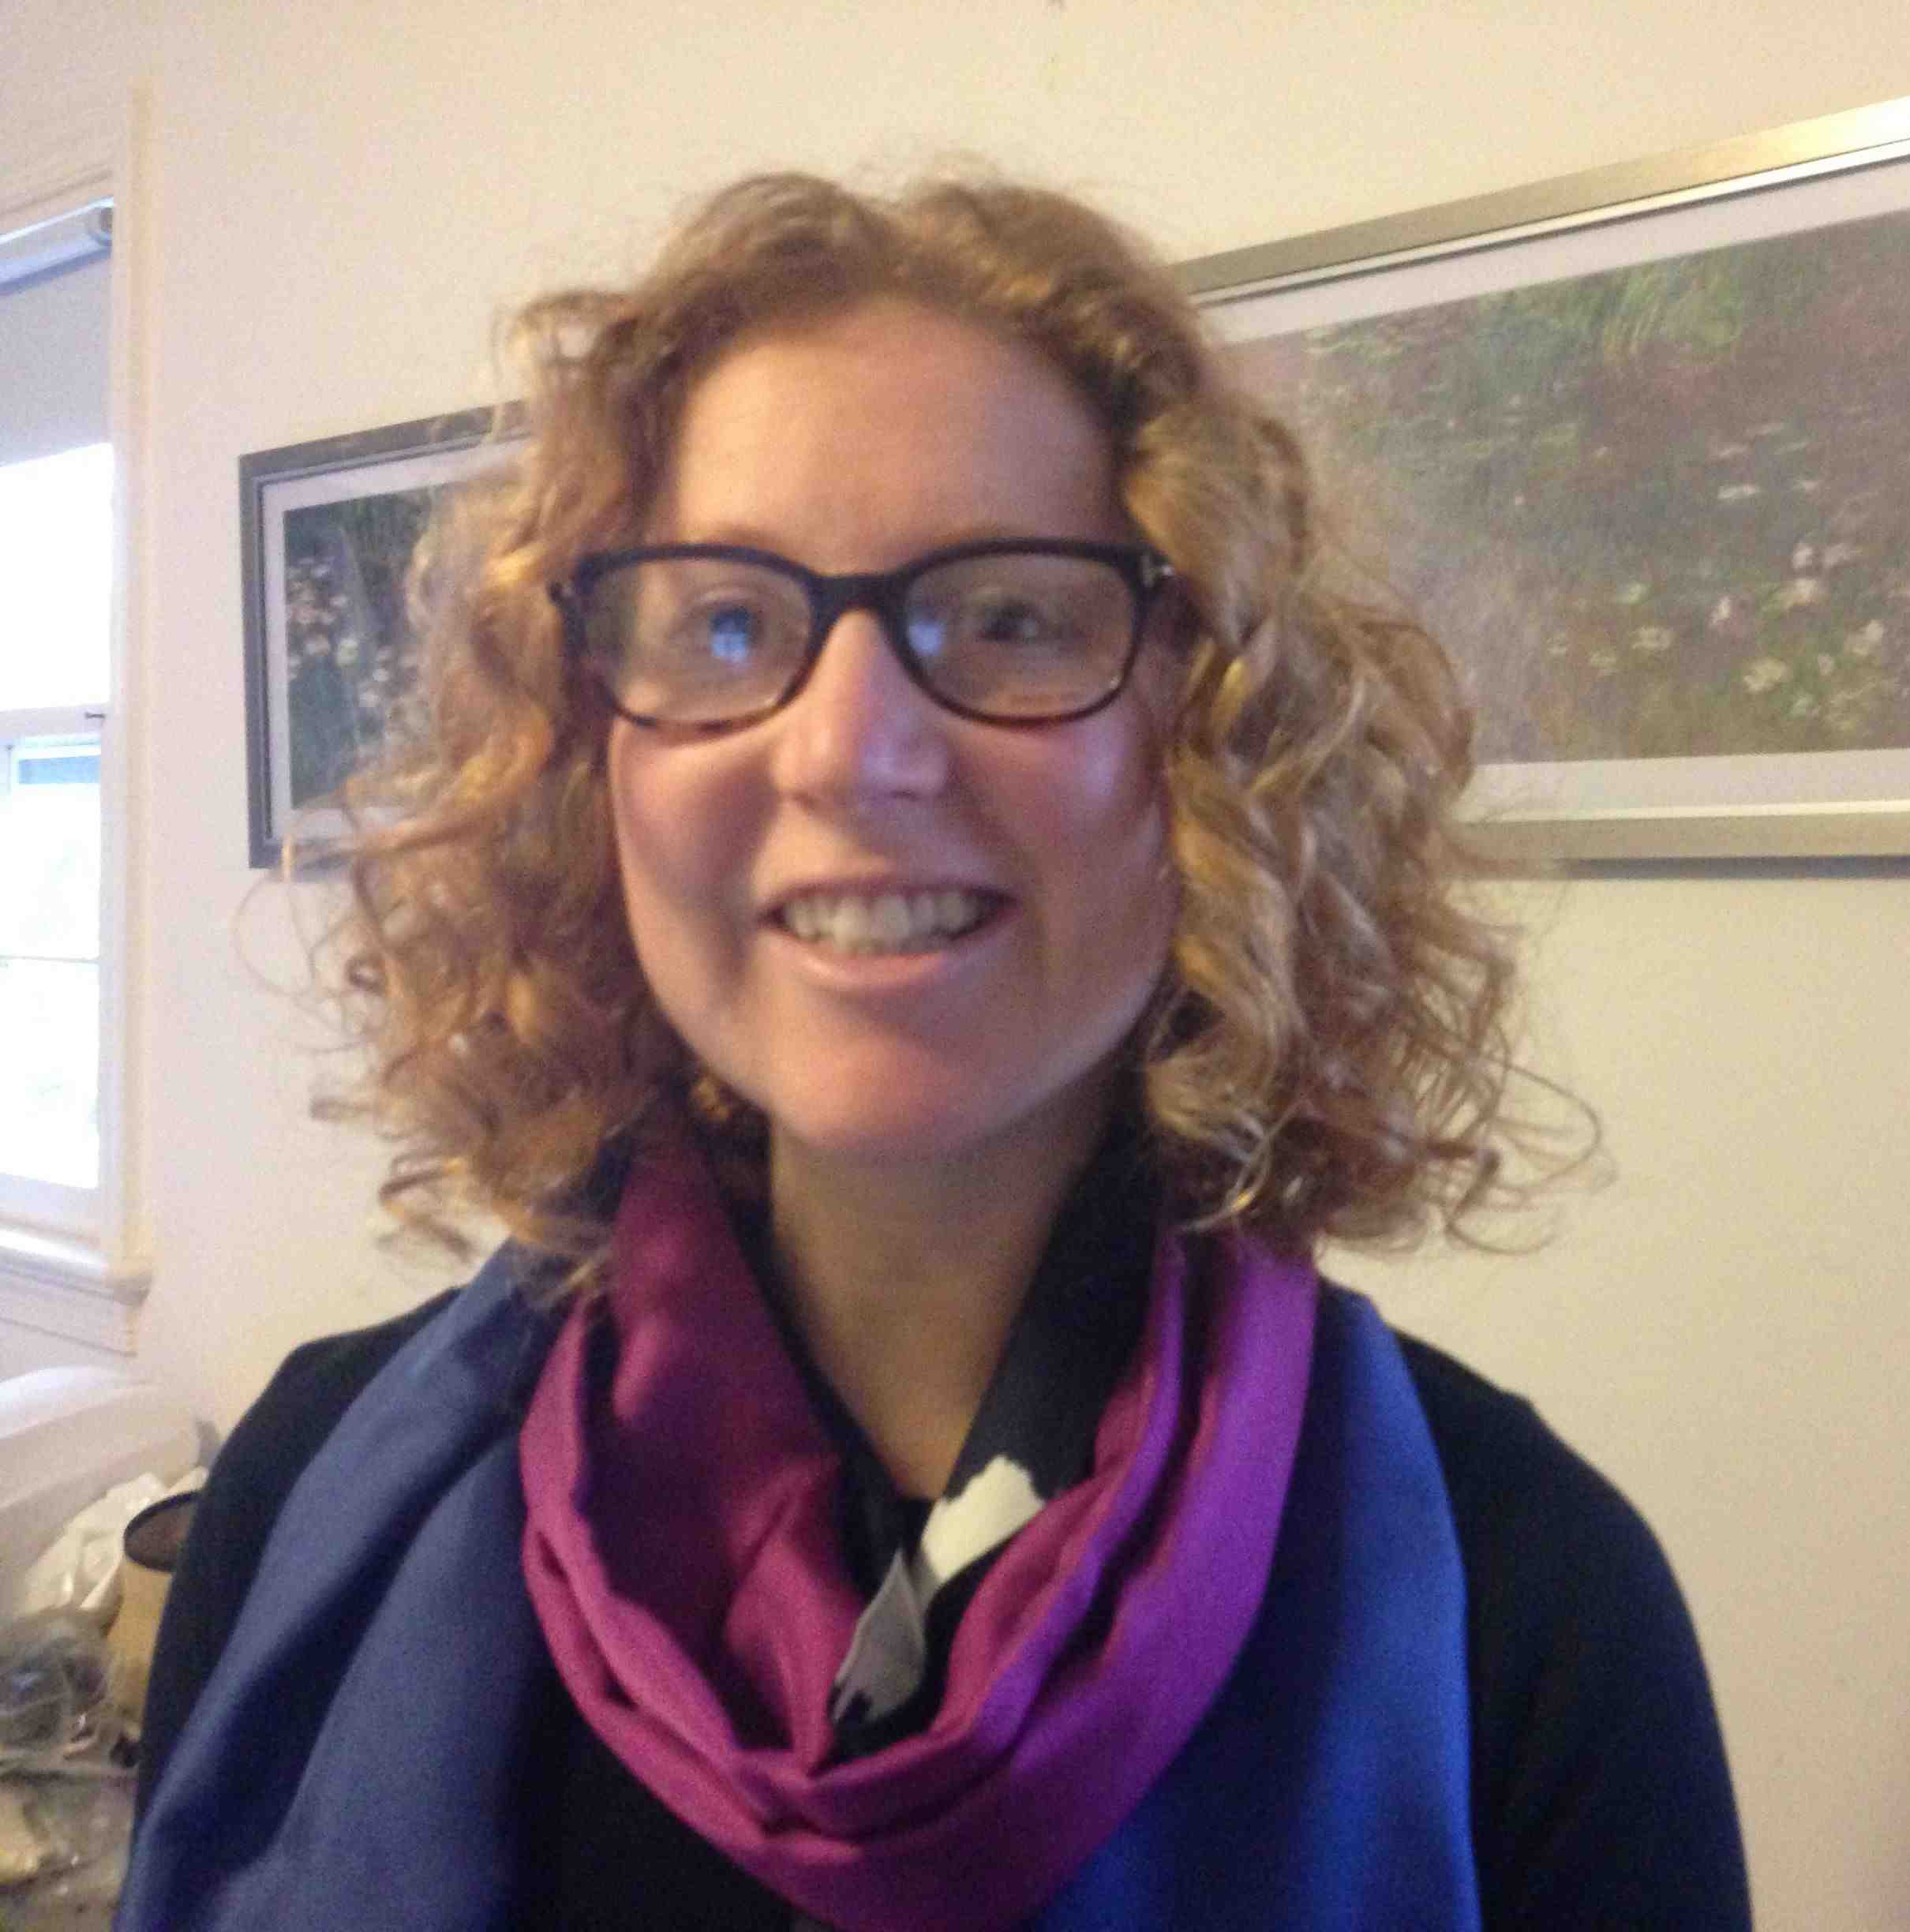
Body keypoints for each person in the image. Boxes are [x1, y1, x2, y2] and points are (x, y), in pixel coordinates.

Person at [122, 172, 1752, 1930]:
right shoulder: (311, 1503)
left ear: (1211, 743)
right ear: (591, 756)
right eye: (727, 625)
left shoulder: (1524, 1613)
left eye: (1011, 620)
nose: (848, 751)